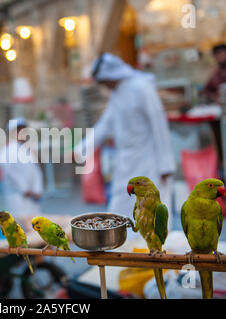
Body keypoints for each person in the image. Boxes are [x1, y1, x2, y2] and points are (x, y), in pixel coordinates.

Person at [74, 53, 176, 223]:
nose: (104, 86)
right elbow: (104, 125)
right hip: (125, 162)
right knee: (120, 209)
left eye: (103, 81)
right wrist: (80, 150)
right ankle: (125, 247)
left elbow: (159, 125)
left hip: (148, 161)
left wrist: (165, 165)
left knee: (150, 212)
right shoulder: (117, 94)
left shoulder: (142, 88)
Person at [0, 118, 43, 218]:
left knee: (35, 224)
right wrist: (25, 189)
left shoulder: (28, 149)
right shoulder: (6, 151)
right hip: (17, 196)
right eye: (18, 130)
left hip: (32, 196)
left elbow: (36, 170)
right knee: (19, 224)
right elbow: (10, 173)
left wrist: (37, 189)